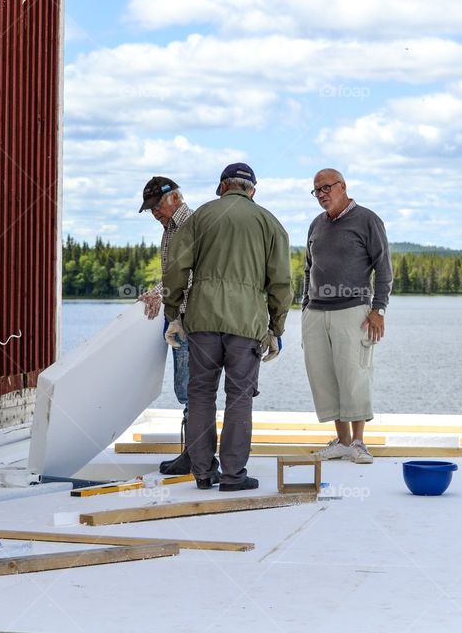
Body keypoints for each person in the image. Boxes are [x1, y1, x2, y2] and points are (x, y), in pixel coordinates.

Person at [161, 163, 292, 491]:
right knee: (239, 398)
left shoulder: (200, 217)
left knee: (201, 394)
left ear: (222, 186)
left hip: (202, 322)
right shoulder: (270, 223)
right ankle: (234, 476)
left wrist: (173, 312)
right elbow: (281, 283)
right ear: (253, 191)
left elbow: (177, 268)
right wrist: (276, 328)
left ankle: (203, 474)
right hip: (245, 325)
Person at [302, 169, 392, 464]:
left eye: (326, 187)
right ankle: (341, 442)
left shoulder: (367, 220)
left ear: (343, 187)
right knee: (324, 377)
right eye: (316, 190)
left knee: (354, 376)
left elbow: (384, 268)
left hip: (353, 311)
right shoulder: (316, 225)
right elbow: (308, 269)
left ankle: (358, 442)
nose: (322, 194)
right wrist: (304, 307)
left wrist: (378, 309)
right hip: (316, 312)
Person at [135, 176, 197, 475]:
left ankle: (195, 457)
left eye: (157, 206)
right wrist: (156, 293)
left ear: (174, 198)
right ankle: (195, 455)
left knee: (191, 390)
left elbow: (191, 274)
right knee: (189, 390)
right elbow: (174, 274)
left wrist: (158, 294)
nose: (154, 213)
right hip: (178, 317)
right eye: (151, 209)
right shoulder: (170, 228)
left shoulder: (190, 225)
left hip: (189, 320)